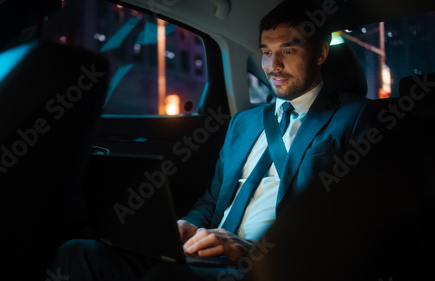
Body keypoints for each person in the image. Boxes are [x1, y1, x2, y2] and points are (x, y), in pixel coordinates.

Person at [50, 1, 381, 280]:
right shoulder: (244, 122)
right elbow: (212, 199)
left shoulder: (354, 118)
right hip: (205, 258)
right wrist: (188, 227)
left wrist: (247, 250)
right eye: (266, 52)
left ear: (321, 53)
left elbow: (351, 228)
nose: (273, 66)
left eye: (288, 51)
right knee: (78, 252)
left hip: (266, 268)